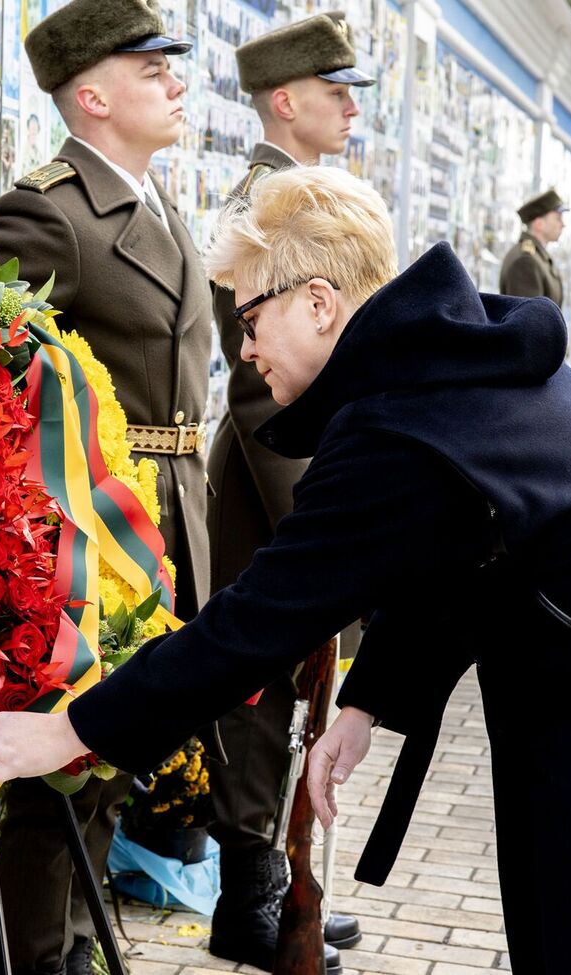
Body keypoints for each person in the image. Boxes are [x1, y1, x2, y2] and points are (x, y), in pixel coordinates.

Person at [0, 165, 571, 974]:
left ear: (318, 303)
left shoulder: (395, 421)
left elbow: (256, 622)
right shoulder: (450, 357)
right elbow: (469, 551)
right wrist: (368, 702)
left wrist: (71, 728)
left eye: (250, 319)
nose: (243, 348)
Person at [0, 2, 209, 972]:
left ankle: (79, 934)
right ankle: (42, 953)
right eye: (153, 71)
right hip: (83, 535)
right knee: (57, 765)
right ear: (94, 95)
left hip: (164, 511)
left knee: (118, 747)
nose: (176, 84)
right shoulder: (45, 212)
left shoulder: (158, 208)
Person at [201, 12, 373, 969]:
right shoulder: (267, 205)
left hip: (305, 471)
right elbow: (254, 380)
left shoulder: (303, 194)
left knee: (290, 692)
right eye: (334, 91)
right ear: (285, 102)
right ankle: (250, 899)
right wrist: (316, 518)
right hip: (276, 482)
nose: (350, 107)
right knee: (260, 694)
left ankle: (274, 883)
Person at [498, 188, 565, 304]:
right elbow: (529, 320)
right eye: (557, 218)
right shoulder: (526, 262)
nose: (563, 224)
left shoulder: (538, 258)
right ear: (539, 224)